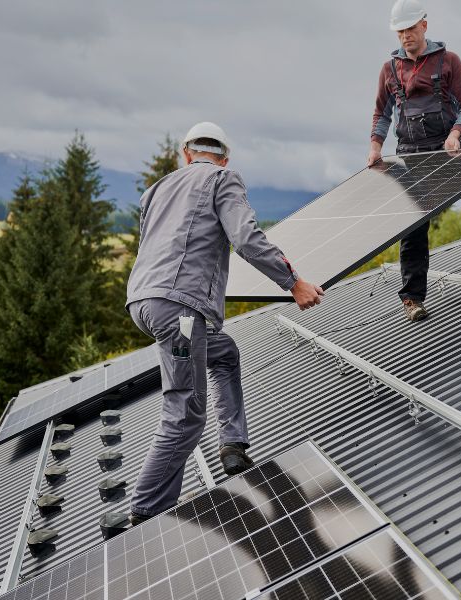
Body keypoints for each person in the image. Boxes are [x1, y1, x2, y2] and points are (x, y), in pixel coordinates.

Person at [125, 121, 324, 525]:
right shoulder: (222, 178)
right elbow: (247, 239)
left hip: (144, 303)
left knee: (224, 352)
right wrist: (293, 282)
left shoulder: (157, 188)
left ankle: (232, 444)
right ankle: (145, 513)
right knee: (185, 413)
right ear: (224, 157)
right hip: (178, 311)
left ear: (186, 154)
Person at [368, 0, 461, 322]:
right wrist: (375, 146)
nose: (405, 35)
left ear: (424, 25)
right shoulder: (389, 70)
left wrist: (457, 133)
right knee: (413, 225)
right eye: (400, 30)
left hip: (448, 148)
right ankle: (412, 298)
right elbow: (382, 113)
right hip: (411, 156)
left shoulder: (449, 61)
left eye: (410, 28)